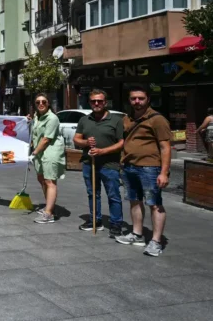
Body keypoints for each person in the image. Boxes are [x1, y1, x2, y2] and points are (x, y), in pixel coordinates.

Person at [115, 85, 172, 256]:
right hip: (129, 166)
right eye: (133, 98)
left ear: (148, 99)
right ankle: (137, 234)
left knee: (154, 203)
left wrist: (164, 172)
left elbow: (165, 147)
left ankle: (156, 241)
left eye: (140, 98)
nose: (137, 101)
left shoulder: (157, 119)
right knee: (134, 201)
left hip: (150, 167)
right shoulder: (127, 118)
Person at [73, 89, 124, 236]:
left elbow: (121, 143)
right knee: (93, 193)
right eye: (93, 101)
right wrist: (86, 142)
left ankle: (116, 224)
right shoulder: (84, 120)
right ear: (89, 103)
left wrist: (102, 151)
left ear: (105, 102)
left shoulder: (116, 120)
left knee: (113, 195)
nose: (96, 103)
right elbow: (76, 139)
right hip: (89, 163)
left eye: (99, 101)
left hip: (110, 164)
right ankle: (95, 220)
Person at [31, 93, 66, 224]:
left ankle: (49, 213)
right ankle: (49, 206)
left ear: (48, 103)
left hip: (51, 152)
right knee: (41, 178)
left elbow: (46, 139)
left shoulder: (52, 118)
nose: (41, 104)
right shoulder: (36, 116)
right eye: (38, 102)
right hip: (40, 152)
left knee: (50, 181)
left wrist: (34, 153)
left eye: (44, 102)